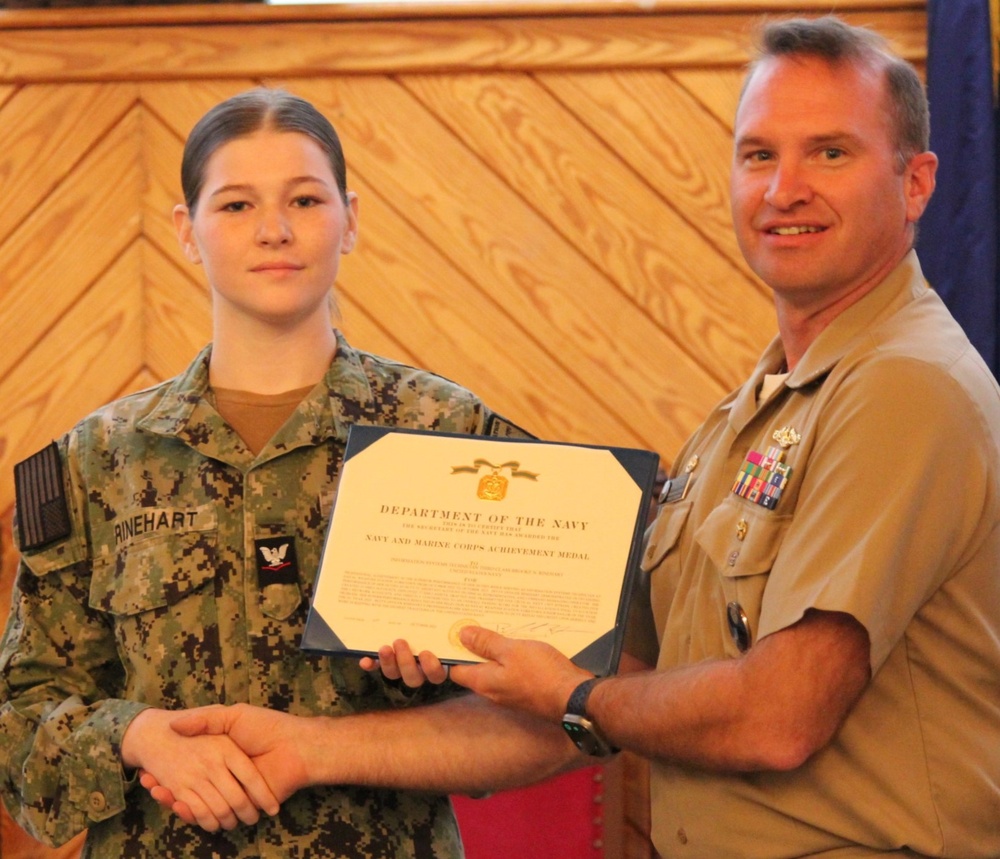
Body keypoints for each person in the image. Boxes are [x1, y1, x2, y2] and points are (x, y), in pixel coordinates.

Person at [143, 15, 1000, 859]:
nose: (785, 189)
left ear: (918, 182)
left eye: (831, 152)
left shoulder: (901, 385)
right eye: (759, 154)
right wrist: (347, 720)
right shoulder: (762, 405)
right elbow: (621, 664)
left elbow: (775, 715)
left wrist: (576, 692)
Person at [0, 87, 538, 858]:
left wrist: (453, 672)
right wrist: (139, 734)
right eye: (236, 206)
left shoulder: (447, 434)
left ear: (351, 218)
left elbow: (546, 714)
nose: (275, 230)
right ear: (187, 232)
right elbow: (19, 719)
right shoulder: (98, 459)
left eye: (305, 199)